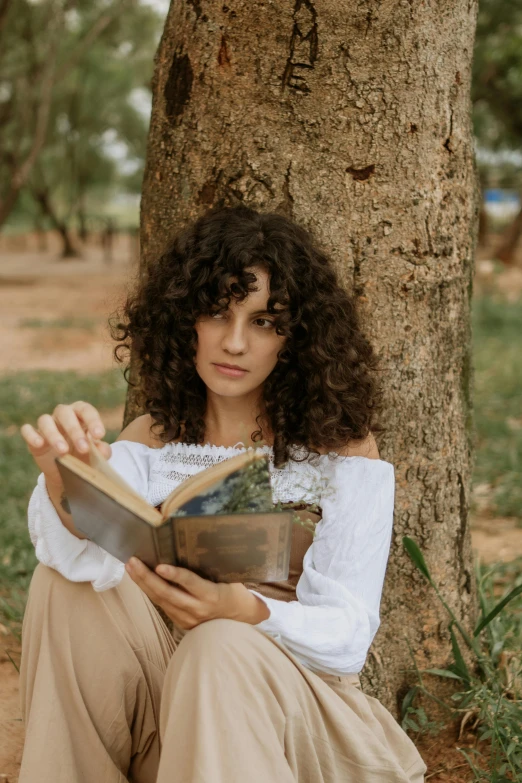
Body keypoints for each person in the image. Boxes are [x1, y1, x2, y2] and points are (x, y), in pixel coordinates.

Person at [18, 205, 427, 783]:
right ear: (185, 320)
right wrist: (62, 467)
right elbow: (81, 542)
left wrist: (246, 612)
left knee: (220, 646)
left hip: (286, 716)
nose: (234, 342)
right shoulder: (152, 440)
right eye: (217, 313)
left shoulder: (341, 450)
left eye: (263, 322)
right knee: (66, 583)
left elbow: (349, 635)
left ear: (295, 337)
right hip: (166, 711)